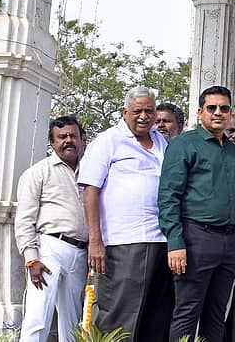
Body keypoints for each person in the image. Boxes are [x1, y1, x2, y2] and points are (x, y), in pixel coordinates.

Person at [79, 86, 173, 341]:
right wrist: (95, 241)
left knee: (155, 317)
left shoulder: (161, 141)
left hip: (160, 240)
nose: (144, 116)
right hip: (123, 242)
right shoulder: (108, 141)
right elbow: (90, 191)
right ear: (124, 112)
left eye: (149, 111)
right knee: (118, 317)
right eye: (137, 111)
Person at [158, 86, 235, 342]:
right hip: (196, 238)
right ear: (200, 112)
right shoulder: (184, 145)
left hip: (230, 241)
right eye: (212, 108)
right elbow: (168, 196)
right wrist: (175, 242)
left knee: (217, 313)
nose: (218, 113)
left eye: (224, 108)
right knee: (187, 312)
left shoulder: (232, 151)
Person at [15, 116, 88, 342]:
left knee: (72, 320)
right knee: (38, 316)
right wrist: (31, 259)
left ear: (82, 140)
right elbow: (24, 218)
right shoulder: (39, 172)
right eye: (62, 137)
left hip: (81, 252)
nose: (68, 141)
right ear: (52, 142)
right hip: (49, 249)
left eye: (73, 136)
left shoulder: (91, 170)